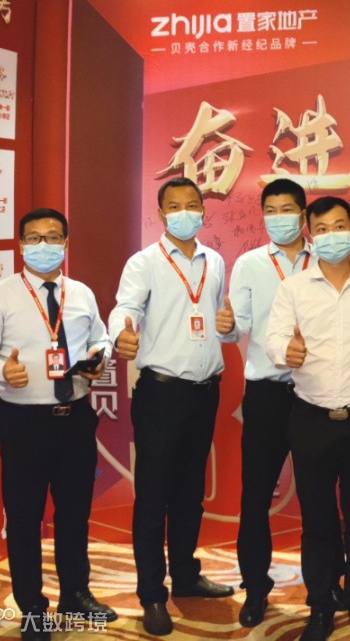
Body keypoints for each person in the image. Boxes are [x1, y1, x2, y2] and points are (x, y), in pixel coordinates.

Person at [0, 208, 117, 640]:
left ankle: (75, 593)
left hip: (75, 419)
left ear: (66, 243)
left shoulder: (81, 293)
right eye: (34, 238)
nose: (44, 245)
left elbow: (101, 337)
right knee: (24, 517)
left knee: (75, 513)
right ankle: (32, 608)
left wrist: (99, 357)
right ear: (21, 245)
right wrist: (0, 371)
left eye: (53, 237)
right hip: (24, 422)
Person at [108, 177, 234, 637]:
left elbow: (215, 320)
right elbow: (125, 307)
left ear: (203, 209)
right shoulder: (144, 263)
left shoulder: (215, 260)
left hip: (205, 392)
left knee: (189, 492)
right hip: (161, 395)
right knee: (153, 496)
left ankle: (185, 574)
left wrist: (228, 325)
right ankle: (152, 595)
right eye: (174, 206)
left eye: (192, 204)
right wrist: (122, 332)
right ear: (161, 214)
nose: (185, 212)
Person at [220, 178, 346, 628]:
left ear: (304, 215)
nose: (279, 218)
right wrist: (226, 325)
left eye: (288, 209)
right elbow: (236, 329)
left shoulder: (326, 258)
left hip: (317, 392)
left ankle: (329, 584)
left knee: (320, 497)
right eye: (270, 210)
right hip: (268, 395)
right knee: (255, 496)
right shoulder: (250, 264)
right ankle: (255, 588)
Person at [267, 195, 350, 641]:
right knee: (318, 521)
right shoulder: (294, 289)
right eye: (322, 229)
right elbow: (274, 339)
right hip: (311, 420)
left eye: (339, 226)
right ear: (310, 234)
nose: (332, 236)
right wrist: (288, 352)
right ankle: (320, 605)